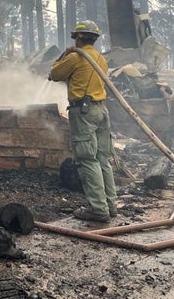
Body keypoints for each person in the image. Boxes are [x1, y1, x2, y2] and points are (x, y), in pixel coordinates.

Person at [48, 20, 117, 223]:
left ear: (78, 37)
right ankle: (110, 206)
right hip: (101, 111)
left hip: (84, 113)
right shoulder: (100, 58)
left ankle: (98, 210)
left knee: (87, 160)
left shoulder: (76, 58)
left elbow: (54, 74)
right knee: (103, 159)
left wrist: (65, 54)